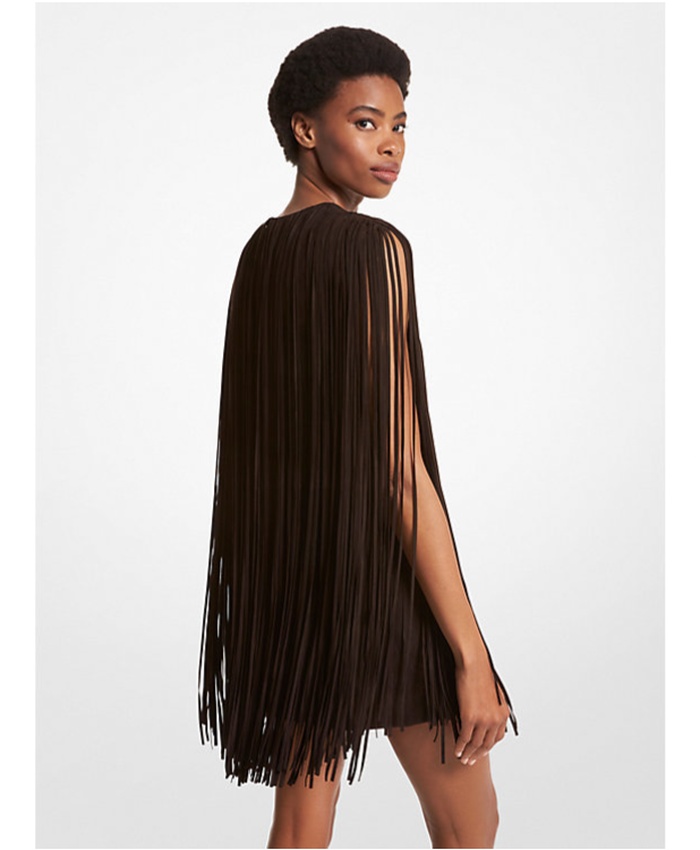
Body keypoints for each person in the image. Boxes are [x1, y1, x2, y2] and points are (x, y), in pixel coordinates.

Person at [198, 25, 518, 849]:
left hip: (296, 594)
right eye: (366, 122)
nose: (391, 145)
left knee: (300, 829)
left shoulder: (261, 254)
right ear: (306, 129)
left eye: (400, 125)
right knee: (471, 829)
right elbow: (399, 471)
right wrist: (471, 655)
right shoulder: (375, 248)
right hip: (381, 590)